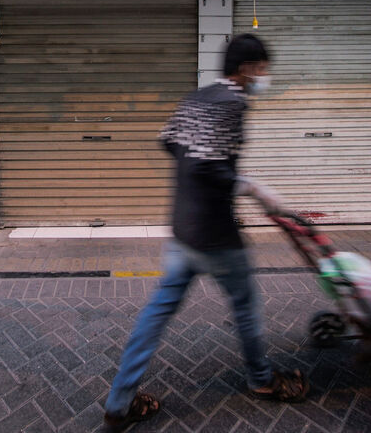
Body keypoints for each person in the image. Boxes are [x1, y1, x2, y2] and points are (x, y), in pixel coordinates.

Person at [103, 33, 309, 432]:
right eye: (263, 68)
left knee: (156, 314)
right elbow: (207, 165)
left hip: (183, 228)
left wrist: (209, 177)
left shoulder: (195, 98)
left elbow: (169, 143)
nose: (265, 76)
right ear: (247, 69)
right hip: (216, 235)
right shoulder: (234, 103)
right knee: (246, 308)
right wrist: (250, 187)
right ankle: (262, 380)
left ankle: (118, 403)